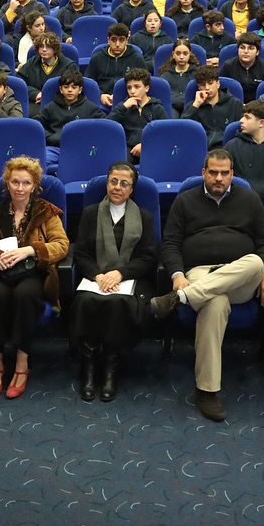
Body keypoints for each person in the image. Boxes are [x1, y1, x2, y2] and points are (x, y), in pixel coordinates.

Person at [148, 150, 264, 422]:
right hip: (199, 273)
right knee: (215, 302)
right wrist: (177, 275)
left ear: (233, 174)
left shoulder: (249, 199)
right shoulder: (184, 201)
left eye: (225, 173)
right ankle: (207, 390)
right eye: (213, 172)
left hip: (242, 276)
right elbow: (170, 243)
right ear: (203, 172)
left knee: (254, 261)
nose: (219, 178)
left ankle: (178, 298)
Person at [0, 155, 68, 400]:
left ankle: (22, 362)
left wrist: (32, 249)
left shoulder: (45, 212)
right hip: (0, 273)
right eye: (15, 182)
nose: (20, 188)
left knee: (25, 294)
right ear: (7, 184)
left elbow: (62, 245)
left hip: (32, 273)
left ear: (35, 186)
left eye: (26, 183)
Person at [71, 162, 157, 402]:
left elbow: (148, 256)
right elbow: (80, 253)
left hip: (129, 280)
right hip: (95, 279)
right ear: (107, 184)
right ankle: (89, 368)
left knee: (119, 302)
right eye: (113, 182)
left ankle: (110, 368)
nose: (117, 187)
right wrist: (98, 276)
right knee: (86, 300)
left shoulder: (144, 217)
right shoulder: (90, 213)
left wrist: (120, 274)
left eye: (124, 183)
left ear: (132, 189)